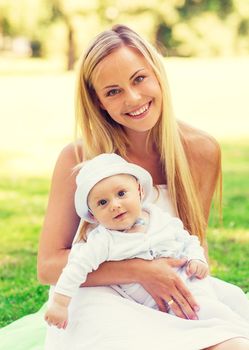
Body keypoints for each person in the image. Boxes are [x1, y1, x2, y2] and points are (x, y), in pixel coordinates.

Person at [34, 24, 249, 350]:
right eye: (113, 91)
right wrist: (141, 271)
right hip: (101, 297)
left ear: (158, 74)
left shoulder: (202, 149)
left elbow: (194, 242)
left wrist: (182, 282)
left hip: (168, 287)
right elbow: (49, 266)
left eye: (139, 78)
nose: (133, 99)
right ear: (99, 102)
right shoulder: (79, 158)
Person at [44, 153, 249, 334]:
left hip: (192, 279)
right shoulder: (104, 241)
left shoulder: (158, 218)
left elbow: (187, 239)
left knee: (235, 297)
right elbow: (75, 269)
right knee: (214, 314)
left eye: (121, 193)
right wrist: (60, 304)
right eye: (102, 203)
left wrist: (197, 257)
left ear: (140, 192)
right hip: (168, 300)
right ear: (93, 216)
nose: (115, 205)